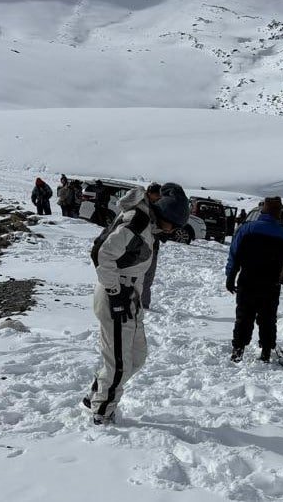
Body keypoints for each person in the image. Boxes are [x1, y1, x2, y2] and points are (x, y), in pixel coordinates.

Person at [83, 182, 189, 425]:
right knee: (119, 362)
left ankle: (97, 394)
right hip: (116, 295)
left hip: (130, 295)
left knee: (136, 356)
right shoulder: (137, 222)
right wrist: (115, 292)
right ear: (165, 214)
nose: (173, 230)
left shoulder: (148, 224)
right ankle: (102, 413)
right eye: (174, 225)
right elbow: (101, 253)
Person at [225, 196, 283, 363]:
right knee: (268, 318)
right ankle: (266, 352)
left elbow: (234, 253)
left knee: (244, 315)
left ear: (263, 210)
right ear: (278, 213)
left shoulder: (247, 229)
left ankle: (238, 350)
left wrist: (230, 276)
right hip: (271, 284)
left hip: (247, 280)